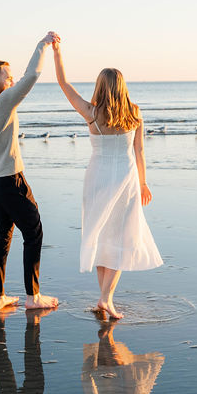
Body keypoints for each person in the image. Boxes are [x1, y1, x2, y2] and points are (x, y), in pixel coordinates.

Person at [51, 39, 163, 319]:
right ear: (122, 87)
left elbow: (64, 83)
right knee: (121, 238)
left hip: (97, 178)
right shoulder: (134, 113)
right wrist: (143, 182)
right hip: (126, 178)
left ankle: (104, 298)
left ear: (100, 87)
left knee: (102, 235)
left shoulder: (91, 113)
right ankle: (105, 299)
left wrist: (57, 52)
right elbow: (139, 151)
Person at [0, 32, 60, 311]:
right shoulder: (0, 103)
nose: (11, 82)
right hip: (10, 179)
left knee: (2, 235)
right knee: (34, 232)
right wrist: (42, 45)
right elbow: (30, 77)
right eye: (7, 78)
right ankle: (33, 297)